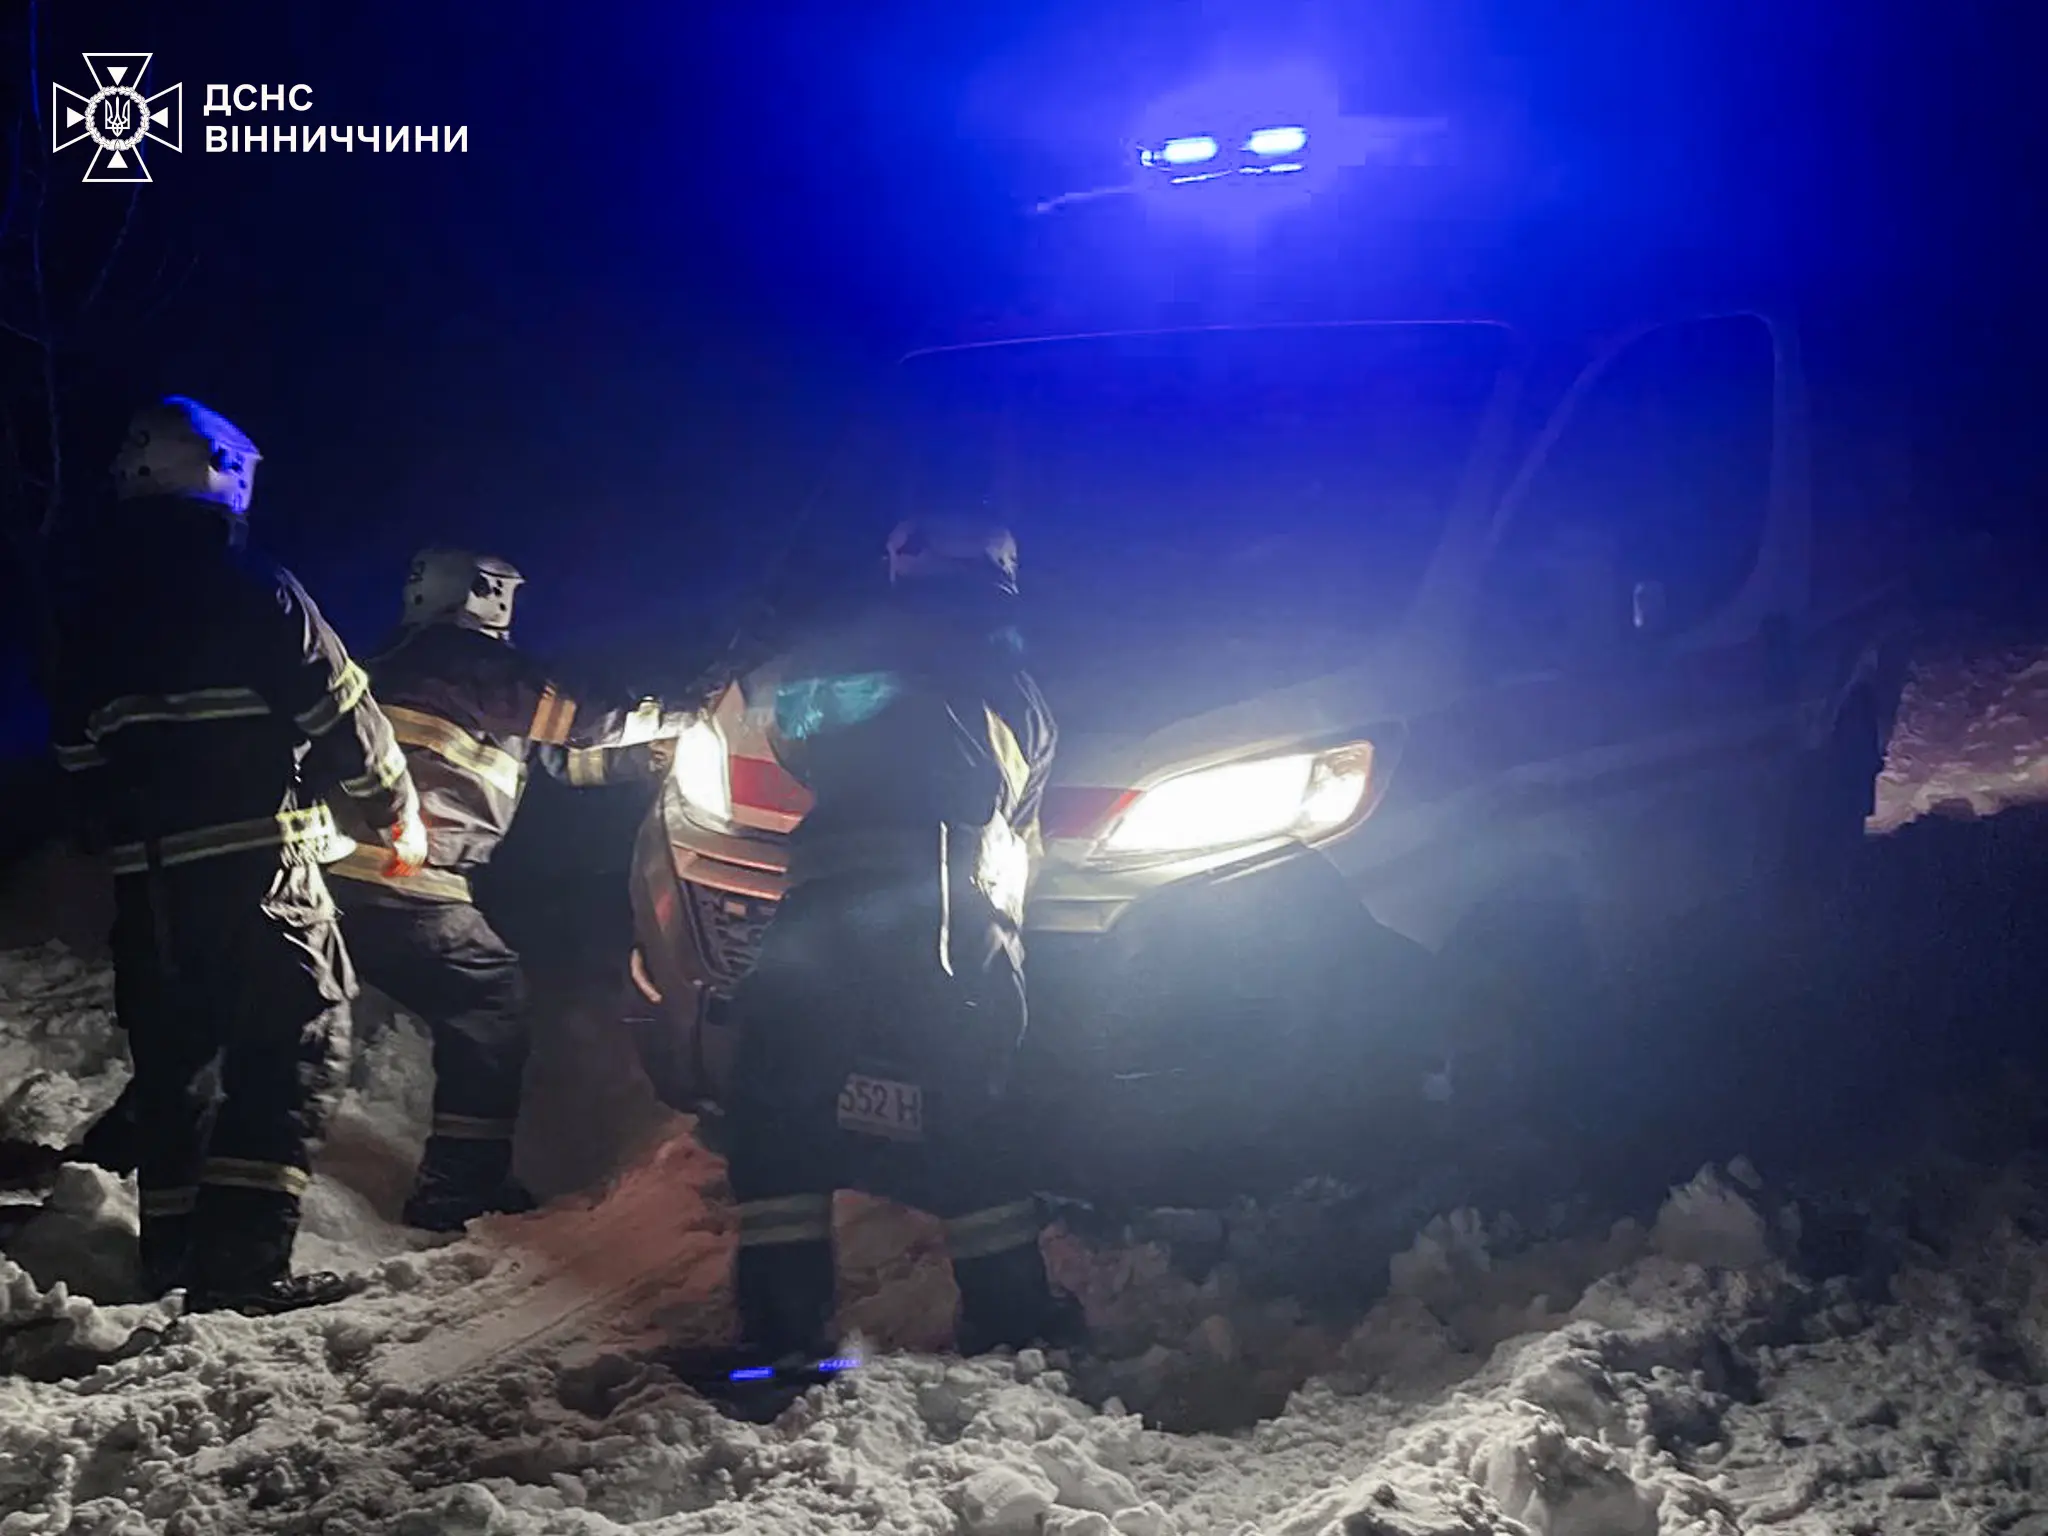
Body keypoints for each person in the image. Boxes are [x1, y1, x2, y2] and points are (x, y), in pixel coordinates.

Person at [47, 396, 425, 1313]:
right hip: (263, 880)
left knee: (177, 1068)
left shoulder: (89, 609)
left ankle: (172, 1257)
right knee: (295, 1047)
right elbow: (343, 713)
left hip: (150, 893)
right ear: (219, 470)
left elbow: (78, 760)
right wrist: (397, 816)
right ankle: (244, 1273)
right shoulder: (257, 585)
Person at [708, 516, 1078, 1383]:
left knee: (777, 1109)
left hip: (827, 917)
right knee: (973, 1112)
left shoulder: (858, 648)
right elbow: (1017, 808)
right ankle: (1011, 1316)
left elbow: (787, 728)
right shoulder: (1016, 677)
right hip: (958, 924)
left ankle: (782, 1327)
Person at [322, 548, 685, 1231]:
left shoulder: (401, 662)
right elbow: (579, 715)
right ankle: (458, 1191)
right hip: (405, 883)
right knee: (490, 1001)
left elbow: (563, 761)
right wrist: (681, 713)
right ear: (485, 594)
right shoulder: (467, 661)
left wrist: (649, 759)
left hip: (340, 881)